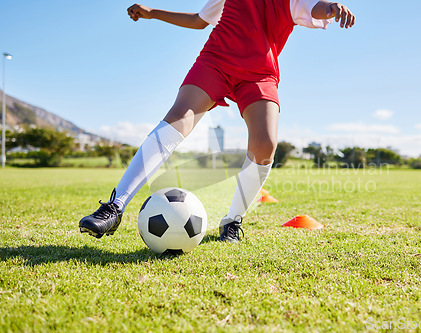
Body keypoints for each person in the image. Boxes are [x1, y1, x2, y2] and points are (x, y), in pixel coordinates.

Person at [79, 0, 355, 242]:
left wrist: (332, 9)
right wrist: (153, 13)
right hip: (216, 61)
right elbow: (200, 20)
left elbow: (315, 8)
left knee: (265, 145)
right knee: (179, 119)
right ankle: (114, 207)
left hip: (259, 73)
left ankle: (232, 221)